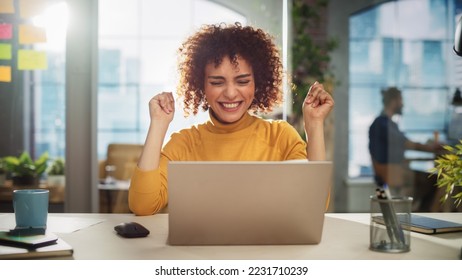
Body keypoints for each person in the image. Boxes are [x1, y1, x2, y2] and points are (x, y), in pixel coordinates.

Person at [128, 23, 334, 216]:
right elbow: (143, 206)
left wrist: (314, 126)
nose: (230, 93)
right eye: (217, 82)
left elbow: (314, 204)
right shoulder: (185, 143)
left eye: (242, 81)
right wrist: (158, 124)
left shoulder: (280, 136)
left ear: (257, 83)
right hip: (199, 253)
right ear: (201, 86)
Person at [368, 87, 440, 197]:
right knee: (436, 181)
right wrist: (431, 148)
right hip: (391, 174)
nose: (403, 104)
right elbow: (406, 143)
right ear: (393, 101)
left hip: (389, 173)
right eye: (401, 100)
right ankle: (428, 212)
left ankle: (420, 209)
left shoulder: (386, 124)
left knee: (430, 180)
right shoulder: (382, 124)